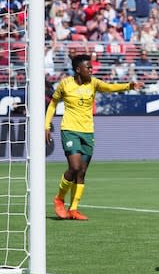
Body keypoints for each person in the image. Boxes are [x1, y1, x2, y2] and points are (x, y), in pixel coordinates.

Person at [45, 54, 144, 220]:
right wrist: (46, 125)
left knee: (82, 172)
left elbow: (110, 87)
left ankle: (74, 209)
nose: (91, 69)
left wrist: (129, 85)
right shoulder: (65, 84)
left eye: (91, 67)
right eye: (88, 67)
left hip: (88, 131)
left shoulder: (94, 83)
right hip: (70, 130)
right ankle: (59, 199)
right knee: (74, 167)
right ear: (78, 69)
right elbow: (53, 103)